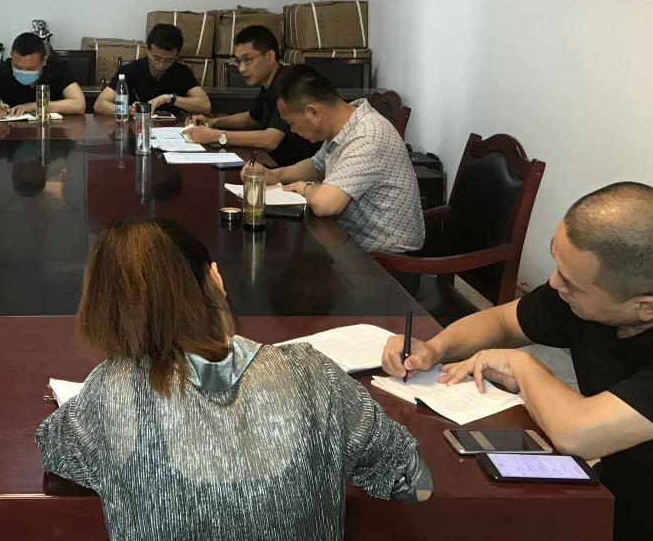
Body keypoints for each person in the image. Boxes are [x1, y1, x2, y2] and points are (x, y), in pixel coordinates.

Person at [35, 215, 430, 541]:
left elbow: (57, 451)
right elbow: (414, 484)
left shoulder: (110, 391)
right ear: (216, 280)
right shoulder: (312, 373)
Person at [381, 183, 653, 541]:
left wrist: (523, 366)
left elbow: (578, 434)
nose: (554, 283)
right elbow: (503, 322)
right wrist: (435, 348)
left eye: (571, 284)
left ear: (646, 307)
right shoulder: (600, 288)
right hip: (615, 496)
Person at [261, 66, 422, 253]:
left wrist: (304, 188)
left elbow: (325, 204)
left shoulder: (366, 136)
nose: (292, 131)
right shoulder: (345, 123)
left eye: (292, 123)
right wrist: (276, 175)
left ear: (313, 112)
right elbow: (317, 166)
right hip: (350, 243)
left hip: (385, 260)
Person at [183, 25, 315, 166]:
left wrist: (216, 136)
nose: (241, 68)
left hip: (301, 168)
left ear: (270, 56)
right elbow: (252, 118)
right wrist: (212, 122)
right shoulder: (269, 82)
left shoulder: (290, 82)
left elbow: (271, 139)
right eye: (238, 61)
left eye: (248, 60)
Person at [93, 23, 211, 118]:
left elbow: (205, 106)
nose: (161, 65)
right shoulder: (130, 70)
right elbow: (99, 104)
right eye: (156, 58)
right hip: (136, 129)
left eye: (168, 60)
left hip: (172, 130)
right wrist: (128, 109)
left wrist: (167, 98)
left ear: (176, 56)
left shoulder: (182, 72)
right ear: (147, 50)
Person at [0, 31, 86, 117]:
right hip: (10, 136)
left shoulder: (58, 68)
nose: (24, 72)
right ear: (11, 56)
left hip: (51, 134)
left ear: (44, 61)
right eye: (18, 67)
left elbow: (79, 105)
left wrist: (33, 106)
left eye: (30, 69)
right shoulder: (1, 70)